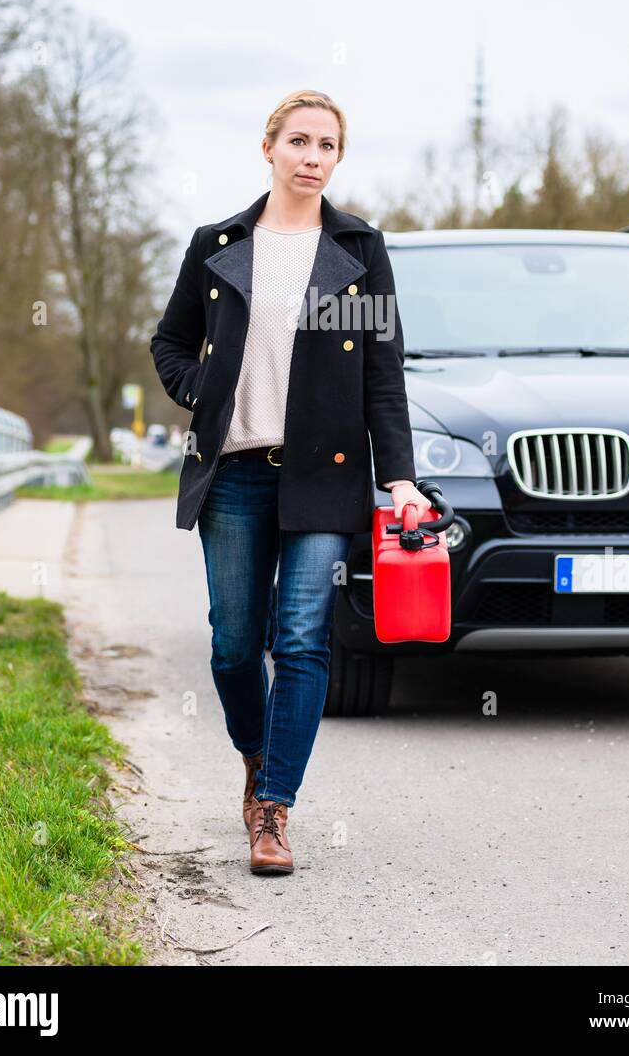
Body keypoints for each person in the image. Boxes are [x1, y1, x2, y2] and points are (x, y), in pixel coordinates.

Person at [149, 89, 431, 875]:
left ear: (338, 159)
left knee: (302, 640)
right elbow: (169, 341)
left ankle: (272, 809)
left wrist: (400, 478)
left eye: (327, 147)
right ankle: (255, 755)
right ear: (268, 147)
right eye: (299, 142)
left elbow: (382, 373)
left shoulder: (359, 249)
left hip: (324, 477)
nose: (312, 158)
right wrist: (199, 390)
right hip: (234, 474)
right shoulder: (218, 244)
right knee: (236, 648)